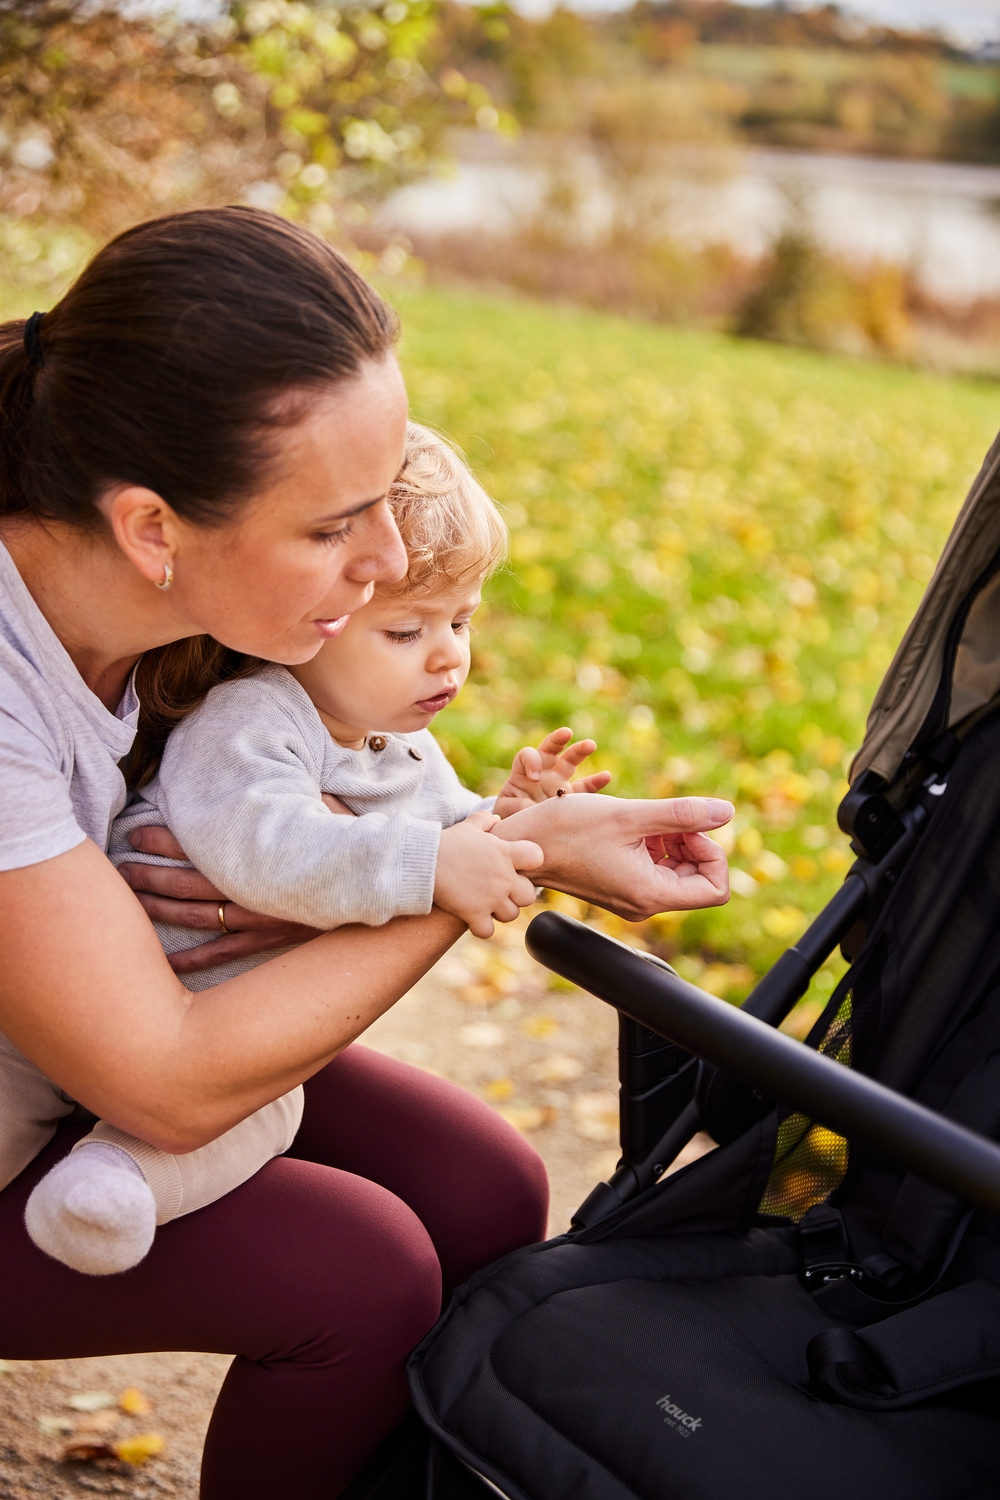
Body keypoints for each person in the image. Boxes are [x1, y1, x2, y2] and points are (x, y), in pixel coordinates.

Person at [0, 206, 733, 1499]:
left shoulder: (162, 609)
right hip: (54, 1102)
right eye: (337, 527)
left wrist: (523, 833)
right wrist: (475, 875)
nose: (388, 561)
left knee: (486, 1187)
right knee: (363, 1271)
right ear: (154, 529)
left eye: (386, 504)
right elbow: (165, 1081)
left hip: (60, 1055)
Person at [24, 420, 611, 1277]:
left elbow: (453, 835)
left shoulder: (401, 747)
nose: (449, 656)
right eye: (407, 633)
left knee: (269, 1113)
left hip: (233, 1036)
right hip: (114, 1008)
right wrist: (431, 869)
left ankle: (114, 1186)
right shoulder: (249, 719)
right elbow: (263, 850)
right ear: (316, 621)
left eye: (463, 621)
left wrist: (519, 812)